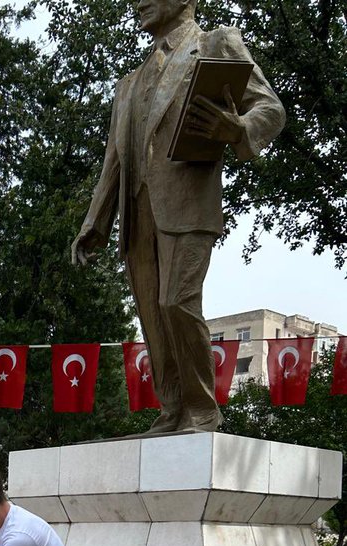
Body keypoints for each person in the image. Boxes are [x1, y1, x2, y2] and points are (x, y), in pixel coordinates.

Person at [72, 0, 285, 434]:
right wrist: (95, 222)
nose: (139, 4)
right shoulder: (128, 84)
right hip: (138, 212)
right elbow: (114, 161)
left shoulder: (216, 44)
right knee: (152, 313)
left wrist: (238, 130)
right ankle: (172, 410)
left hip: (188, 202)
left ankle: (203, 410)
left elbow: (270, 109)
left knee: (177, 300)